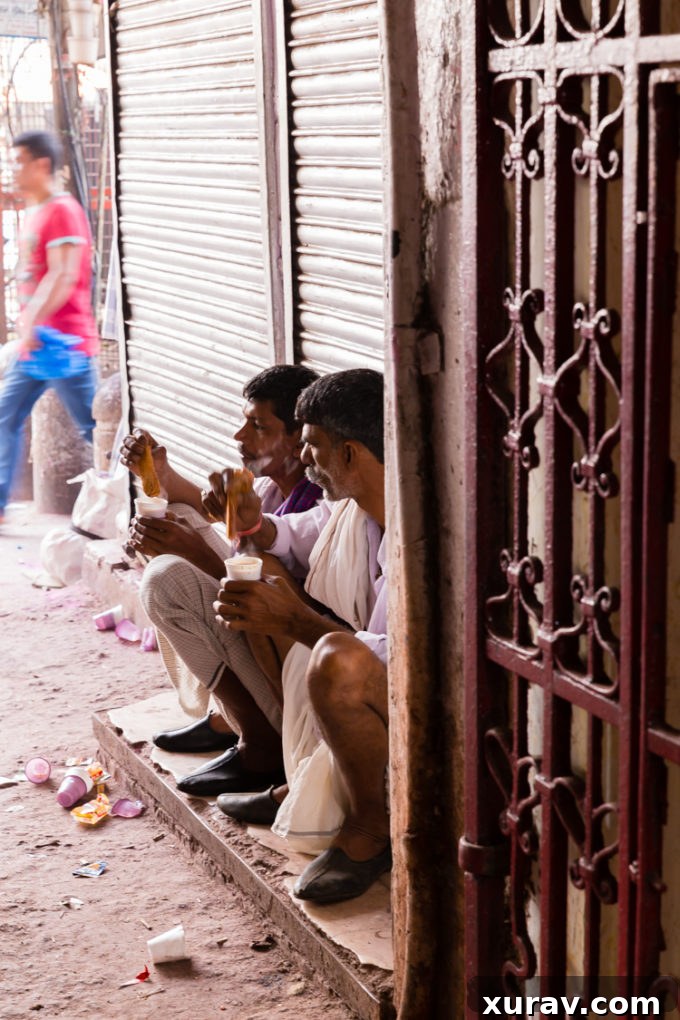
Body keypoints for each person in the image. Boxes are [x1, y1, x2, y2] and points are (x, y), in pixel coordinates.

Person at [209, 368, 389, 904]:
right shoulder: (354, 511)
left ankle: (369, 830)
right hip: (377, 679)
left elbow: (406, 662)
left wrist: (298, 622)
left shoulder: (424, 527)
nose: (305, 461)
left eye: (312, 446)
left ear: (352, 454)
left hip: (431, 703)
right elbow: (301, 531)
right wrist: (256, 524)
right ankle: (302, 775)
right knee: (259, 576)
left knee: (336, 655)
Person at [122, 364, 322, 754]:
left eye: (259, 428)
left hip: (295, 660)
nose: (239, 437)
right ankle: (227, 716)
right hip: (263, 619)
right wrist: (159, 472)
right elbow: (204, 506)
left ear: (300, 438)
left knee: (169, 578)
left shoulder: (320, 508)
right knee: (178, 513)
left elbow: (270, 595)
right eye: (244, 423)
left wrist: (192, 551)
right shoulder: (272, 485)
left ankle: (258, 734)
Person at [0, 130, 99, 524]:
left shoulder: (62, 210)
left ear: (42, 164)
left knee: (95, 426)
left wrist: (32, 322)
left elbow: (63, 275)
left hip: (65, 342)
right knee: (4, 416)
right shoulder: (39, 210)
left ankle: (142, 492)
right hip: (39, 343)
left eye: (20, 161)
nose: (14, 169)